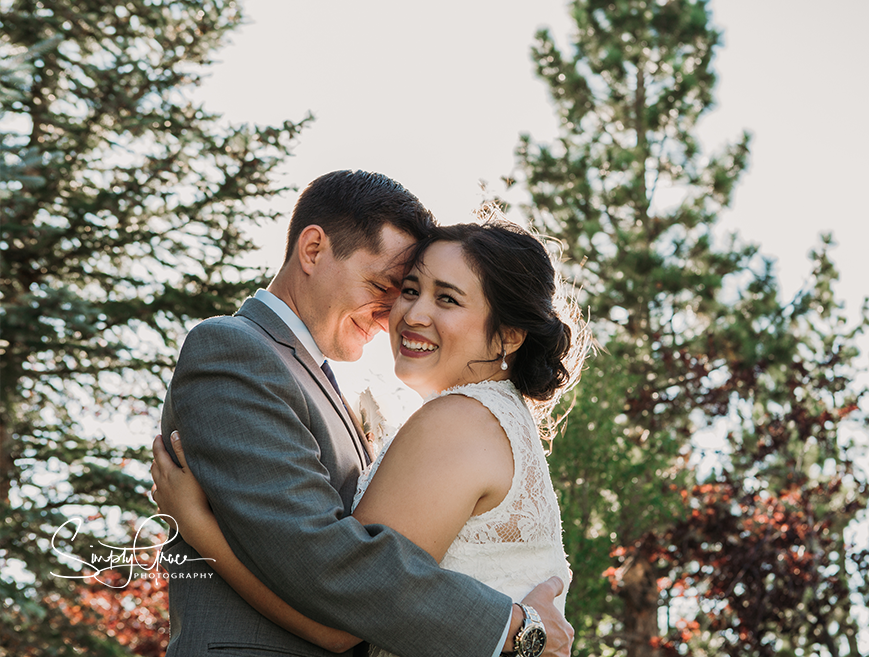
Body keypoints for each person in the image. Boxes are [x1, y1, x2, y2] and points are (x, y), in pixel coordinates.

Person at [152, 170, 573, 657]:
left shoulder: (454, 417)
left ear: (508, 334)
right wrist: (513, 629)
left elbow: (342, 590)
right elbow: (327, 567)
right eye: (392, 287)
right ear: (313, 250)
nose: (394, 314)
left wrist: (197, 525)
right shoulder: (235, 349)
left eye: (441, 297)